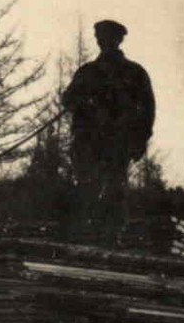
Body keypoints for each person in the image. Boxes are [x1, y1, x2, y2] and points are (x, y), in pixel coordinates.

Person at [61, 19, 155, 243]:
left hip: (117, 142)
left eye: (108, 38)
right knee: (88, 187)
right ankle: (87, 235)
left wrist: (140, 140)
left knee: (114, 188)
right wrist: (84, 102)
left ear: (118, 40)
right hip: (87, 141)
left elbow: (147, 110)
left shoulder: (134, 72)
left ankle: (111, 237)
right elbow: (68, 100)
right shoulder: (87, 72)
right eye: (100, 38)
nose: (103, 42)